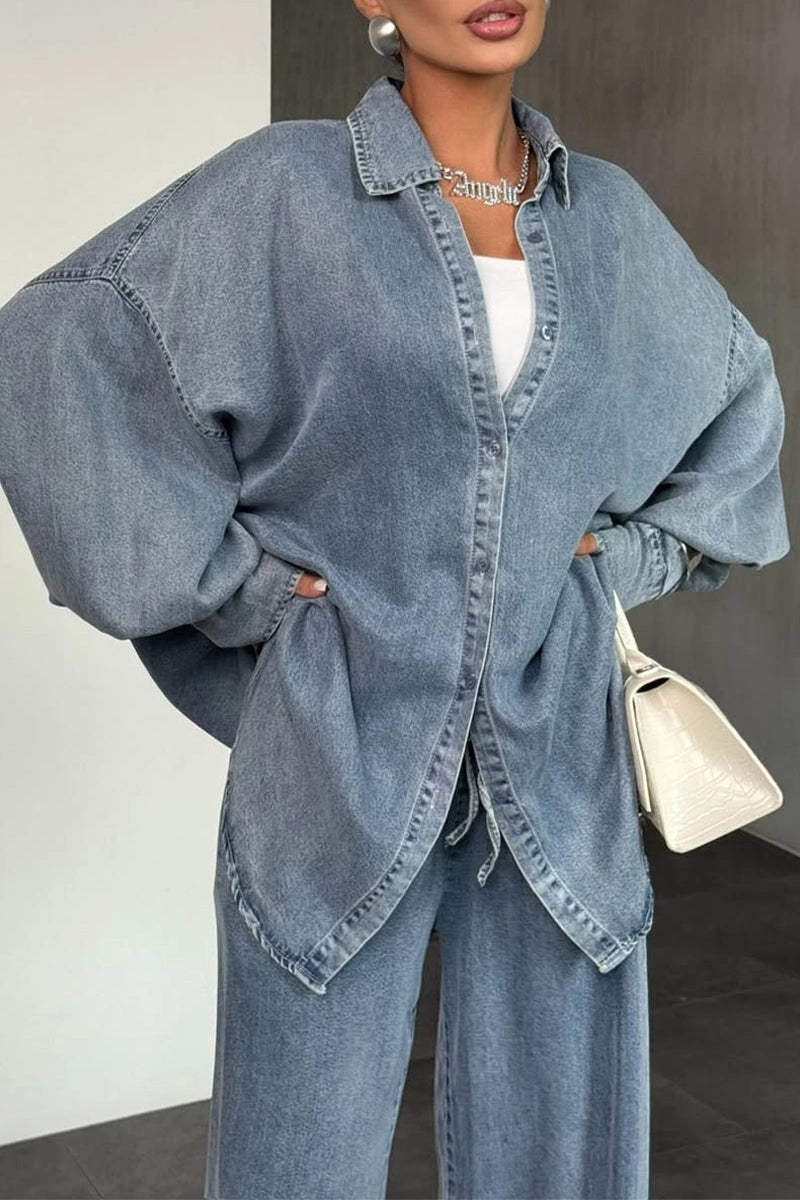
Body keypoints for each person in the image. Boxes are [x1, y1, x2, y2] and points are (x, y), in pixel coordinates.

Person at [0, 1, 790, 1197]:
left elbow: (736, 416)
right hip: (335, 754)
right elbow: (53, 356)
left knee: (561, 1164)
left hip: (554, 760)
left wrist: (612, 566)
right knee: (295, 1166)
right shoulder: (285, 194)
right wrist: (244, 593)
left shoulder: (612, 222)